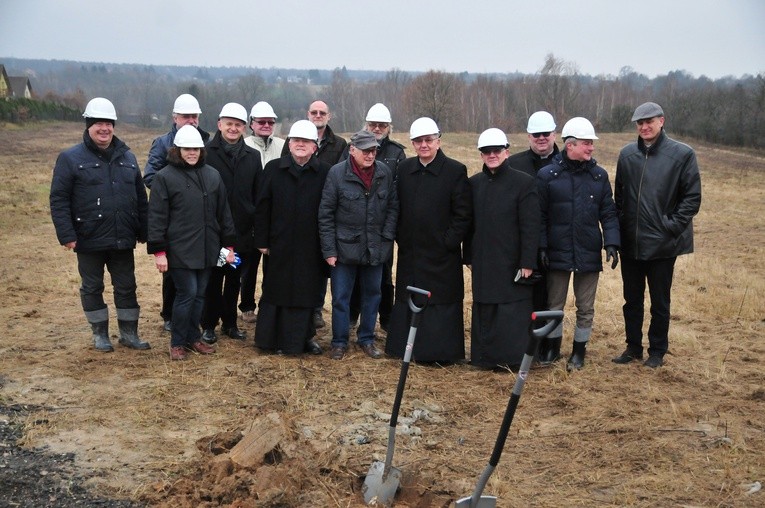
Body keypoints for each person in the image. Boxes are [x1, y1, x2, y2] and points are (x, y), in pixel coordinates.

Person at [50, 97, 150, 352]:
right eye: (98, 124)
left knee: (127, 286)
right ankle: (100, 335)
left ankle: (129, 334)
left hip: (122, 237)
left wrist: (144, 229)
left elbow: (140, 197)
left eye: (108, 124)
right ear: (88, 125)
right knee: (92, 287)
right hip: (88, 238)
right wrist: (66, 234)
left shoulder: (127, 157)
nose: (104, 129)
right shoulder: (70, 158)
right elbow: (59, 199)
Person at [613, 102, 702, 368]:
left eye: (649, 121)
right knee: (632, 300)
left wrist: (670, 226)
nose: (644, 126)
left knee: (660, 301)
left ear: (662, 121)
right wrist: (620, 232)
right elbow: (620, 198)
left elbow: (692, 198)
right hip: (631, 244)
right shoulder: (627, 155)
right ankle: (632, 347)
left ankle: (657, 351)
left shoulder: (682, 154)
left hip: (663, 245)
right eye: (639, 123)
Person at [384, 117, 472, 364]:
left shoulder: (455, 170)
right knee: (408, 297)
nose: (424, 145)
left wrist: (448, 242)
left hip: (442, 256)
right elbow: (397, 206)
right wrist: (401, 236)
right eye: (418, 141)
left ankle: (438, 353)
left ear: (438, 141)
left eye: (428, 140)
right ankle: (405, 348)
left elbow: (463, 214)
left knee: (439, 301)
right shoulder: (404, 169)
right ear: (412, 143)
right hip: (411, 253)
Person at [536, 117, 620, 371]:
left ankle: (579, 352)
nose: (591, 148)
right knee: (554, 306)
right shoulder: (547, 176)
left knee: (586, 307)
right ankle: (552, 348)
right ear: (570, 145)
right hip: (557, 251)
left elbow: (608, 212)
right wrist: (541, 247)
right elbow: (538, 216)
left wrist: (612, 243)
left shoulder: (599, 176)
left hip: (588, 251)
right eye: (587, 143)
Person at [147, 125, 236, 361]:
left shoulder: (212, 175)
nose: (192, 153)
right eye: (187, 149)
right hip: (180, 250)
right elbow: (156, 217)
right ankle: (177, 342)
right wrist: (159, 251)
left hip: (209, 248)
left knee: (200, 295)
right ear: (177, 150)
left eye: (196, 149)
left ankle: (193, 337)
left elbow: (224, 213)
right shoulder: (164, 177)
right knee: (187, 293)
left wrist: (229, 246)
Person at [318, 130, 399, 360]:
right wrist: (330, 250)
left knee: (373, 295)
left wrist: (386, 239)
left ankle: (367, 339)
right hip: (344, 250)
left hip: (375, 248)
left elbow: (393, 208)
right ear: (352, 150)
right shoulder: (336, 174)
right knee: (341, 298)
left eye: (373, 150)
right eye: (365, 150)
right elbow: (325, 214)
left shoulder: (384, 173)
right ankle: (339, 341)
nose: (370, 155)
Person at [464, 129, 540, 370]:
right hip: (484, 259)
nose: (492, 155)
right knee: (484, 306)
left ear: (506, 152)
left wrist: (528, 261)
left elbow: (531, 226)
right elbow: (469, 224)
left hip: (512, 259)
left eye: (496, 150)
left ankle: (511, 359)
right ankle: (484, 358)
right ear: (481, 155)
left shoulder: (524, 182)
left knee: (511, 309)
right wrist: (469, 256)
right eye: (486, 151)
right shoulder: (474, 183)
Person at [253, 120, 330, 356]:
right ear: (289, 143)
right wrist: (262, 240)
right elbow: (262, 206)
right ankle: (271, 339)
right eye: (296, 141)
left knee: (306, 292)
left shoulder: (325, 172)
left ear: (314, 147)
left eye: (306, 141)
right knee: (277, 289)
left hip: (311, 245)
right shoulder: (274, 169)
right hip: (280, 242)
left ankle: (303, 338)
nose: (300, 145)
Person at [143, 94, 210, 332]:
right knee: (173, 273)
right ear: (175, 118)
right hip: (173, 216)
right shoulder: (162, 143)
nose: (191, 120)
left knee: (198, 279)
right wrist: (176, 190)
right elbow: (150, 176)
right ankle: (169, 315)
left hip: (198, 218)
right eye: (185, 116)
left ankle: (193, 321)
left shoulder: (206, 140)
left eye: (194, 116)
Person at [200, 103, 262, 344]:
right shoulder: (207, 153)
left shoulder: (252, 157)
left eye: (238, 125)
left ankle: (230, 324)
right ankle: (208, 324)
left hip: (240, 234)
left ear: (244, 128)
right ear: (219, 125)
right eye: (229, 124)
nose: (233, 128)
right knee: (213, 280)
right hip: (215, 233)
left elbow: (257, 195)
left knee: (234, 279)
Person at [283, 100, 348, 330]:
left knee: (319, 270)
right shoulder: (294, 138)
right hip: (297, 211)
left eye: (322, 112)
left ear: (329, 116)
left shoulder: (339, 144)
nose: (318, 115)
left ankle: (316, 310)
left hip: (323, 213)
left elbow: (340, 178)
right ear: (307, 114)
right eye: (314, 112)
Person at [342, 103, 407, 332]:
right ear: (366, 125)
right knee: (354, 276)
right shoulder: (352, 148)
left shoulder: (397, 153)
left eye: (382, 125)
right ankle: (351, 316)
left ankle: (386, 319)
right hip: (355, 226)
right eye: (373, 125)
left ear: (389, 127)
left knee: (384, 277)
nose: (377, 129)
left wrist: (389, 232)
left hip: (380, 229)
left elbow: (396, 194)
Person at [508, 111, 561, 363]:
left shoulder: (566, 163)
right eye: (536, 134)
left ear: (554, 134)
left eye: (546, 134)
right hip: (523, 242)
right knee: (524, 294)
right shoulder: (515, 164)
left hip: (556, 241)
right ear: (528, 136)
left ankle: (548, 345)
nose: (541, 139)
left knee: (552, 296)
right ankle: (521, 341)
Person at [239, 101, 284, 325]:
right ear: (251, 124)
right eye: (261, 122)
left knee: (272, 267)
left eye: (270, 122)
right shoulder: (244, 146)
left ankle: (268, 304)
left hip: (274, 217)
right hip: (249, 217)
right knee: (247, 266)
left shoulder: (283, 146)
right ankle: (246, 306)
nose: (266, 125)